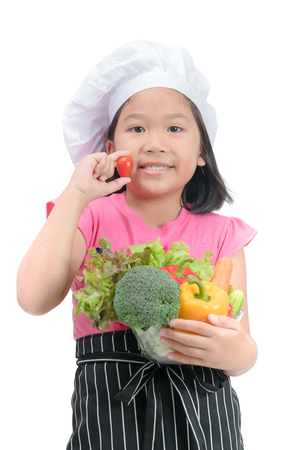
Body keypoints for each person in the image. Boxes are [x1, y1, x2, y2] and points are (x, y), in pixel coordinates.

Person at [17, 40, 258, 450]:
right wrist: (75, 195)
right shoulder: (88, 216)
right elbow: (33, 298)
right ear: (110, 150)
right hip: (111, 409)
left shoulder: (223, 235)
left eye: (175, 127)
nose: (155, 142)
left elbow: (244, 355)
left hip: (205, 413)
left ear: (201, 151)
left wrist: (232, 349)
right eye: (137, 128)